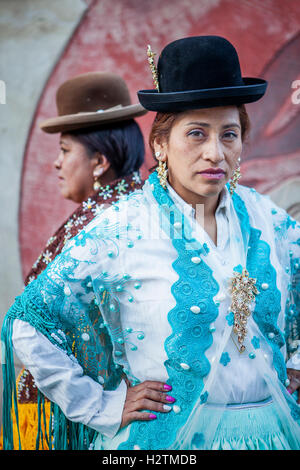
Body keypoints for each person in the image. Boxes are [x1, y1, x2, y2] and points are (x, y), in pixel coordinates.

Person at [2, 36, 300, 451]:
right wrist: (102, 405)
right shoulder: (122, 228)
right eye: (196, 133)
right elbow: (28, 324)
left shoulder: (270, 221)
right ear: (160, 144)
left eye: (229, 135)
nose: (215, 152)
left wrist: (293, 365)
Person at [2, 72, 146, 450]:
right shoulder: (138, 208)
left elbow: (26, 328)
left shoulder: (103, 226)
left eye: (65, 151)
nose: (56, 164)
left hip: (89, 430)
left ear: (99, 161)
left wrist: (100, 406)